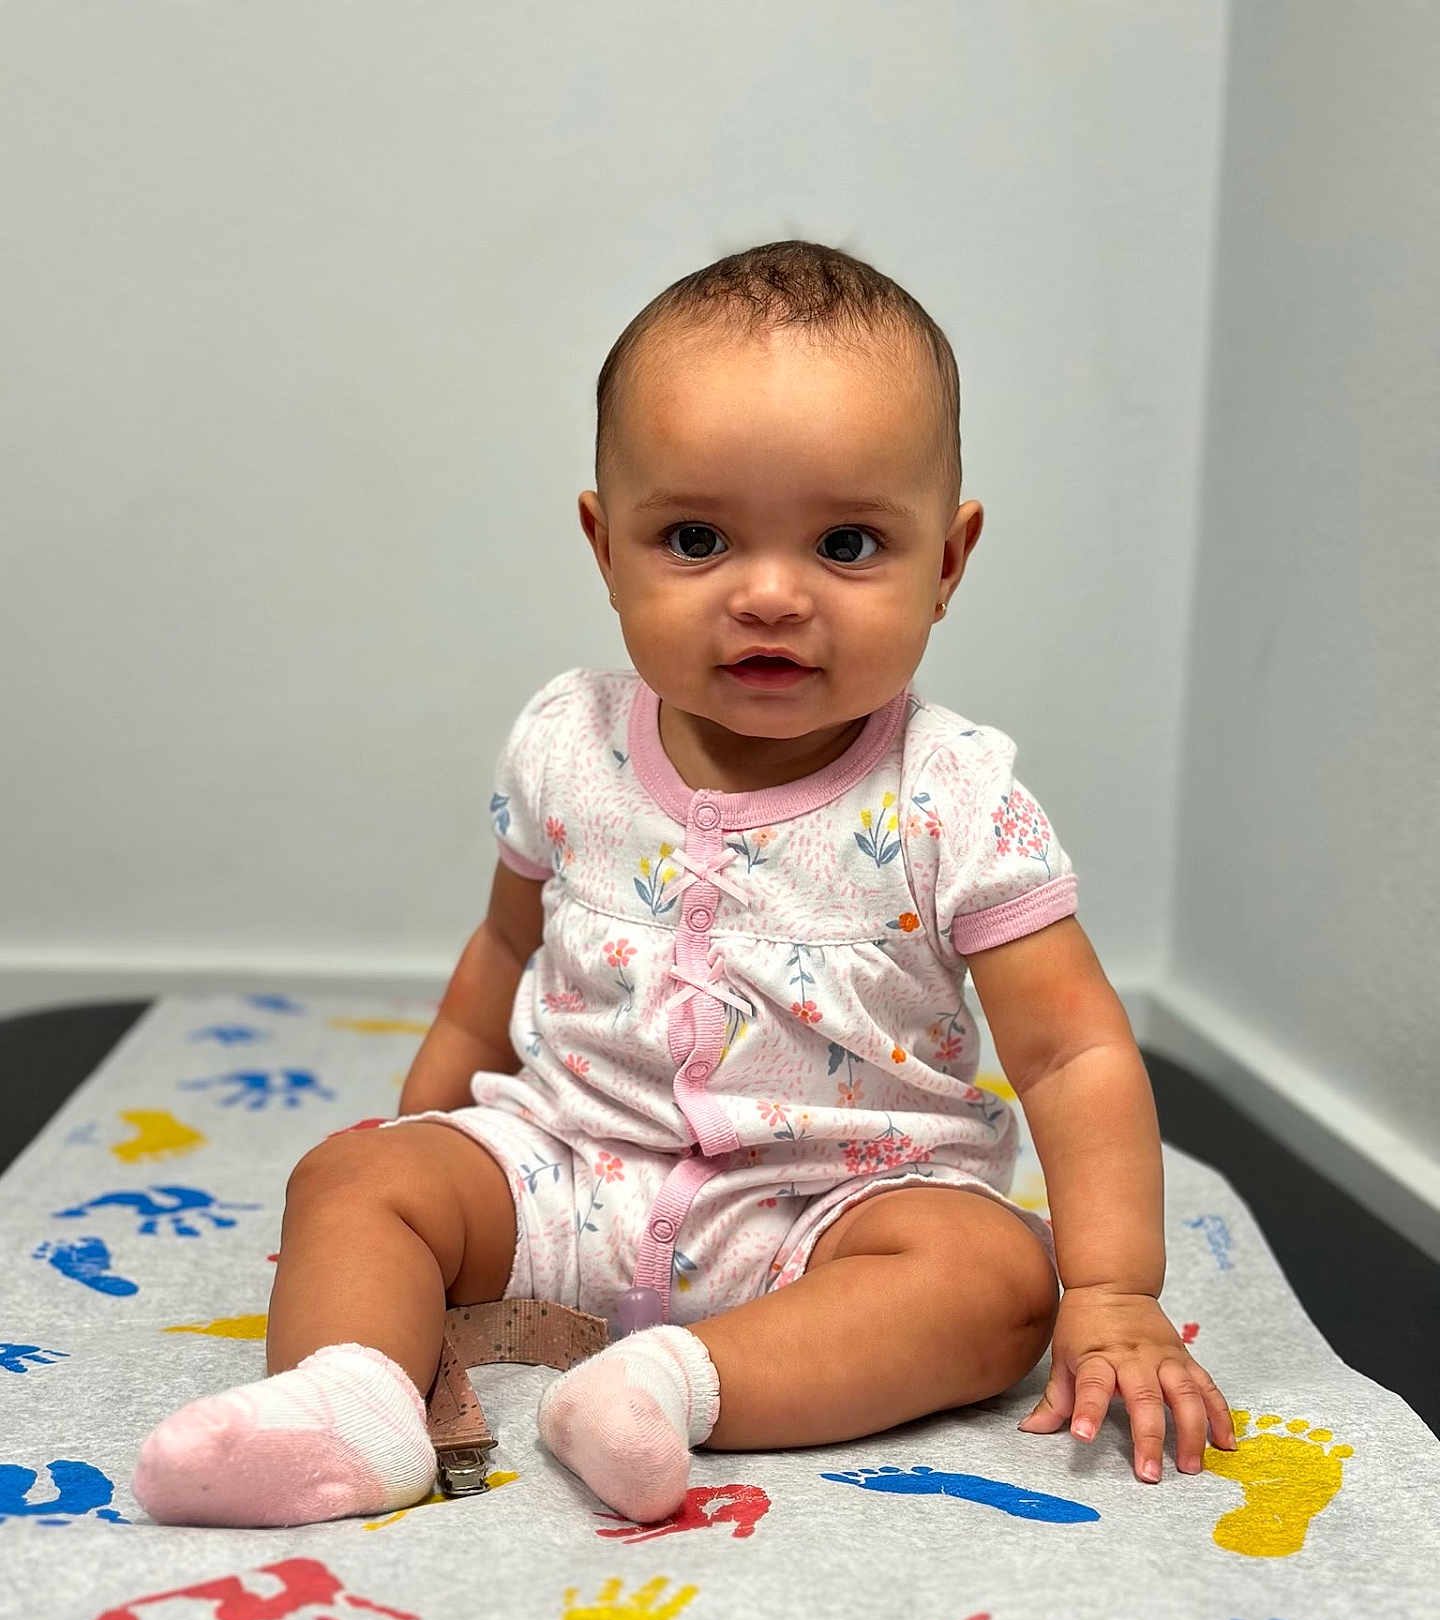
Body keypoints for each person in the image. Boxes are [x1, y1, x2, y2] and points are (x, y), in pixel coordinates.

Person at [132, 239, 1236, 1530]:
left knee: (996, 1281)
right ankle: (358, 1411)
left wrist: (1111, 1291)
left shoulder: (956, 796)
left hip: (839, 1217)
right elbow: (501, 959)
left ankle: (670, 1389)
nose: (769, 596)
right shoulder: (567, 741)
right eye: (698, 538)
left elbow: (1070, 1056)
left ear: (947, 562)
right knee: (349, 1180)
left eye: (847, 542)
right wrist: (424, 1144)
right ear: (606, 547)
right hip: (571, 1171)